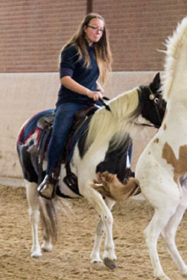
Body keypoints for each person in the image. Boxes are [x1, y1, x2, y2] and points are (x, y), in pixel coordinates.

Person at [38, 13, 112, 199]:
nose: (98, 32)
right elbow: (66, 79)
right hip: (70, 102)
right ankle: (50, 177)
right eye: (94, 28)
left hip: (90, 101)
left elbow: (91, 79)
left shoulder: (96, 52)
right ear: (85, 28)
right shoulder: (71, 50)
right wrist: (88, 92)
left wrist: (98, 89)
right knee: (59, 132)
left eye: (101, 30)